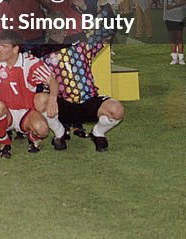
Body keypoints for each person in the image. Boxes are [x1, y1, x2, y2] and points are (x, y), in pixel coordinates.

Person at [41, 8, 125, 152]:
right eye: (53, 26)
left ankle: (98, 133)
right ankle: (59, 132)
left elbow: (109, 25)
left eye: (60, 25)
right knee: (40, 100)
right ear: (47, 29)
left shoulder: (81, 46)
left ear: (66, 28)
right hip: (62, 104)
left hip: (88, 101)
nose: (57, 29)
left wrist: (103, 0)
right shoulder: (40, 53)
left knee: (117, 110)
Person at [0, 31, 55, 157]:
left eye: (4, 47)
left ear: (15, 49)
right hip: (7, 113)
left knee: (43, 130)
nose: (0, 50)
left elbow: (52, 81)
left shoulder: (29, 63)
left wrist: (53, 99)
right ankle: (4, 142)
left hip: (26, 112)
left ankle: (32, 136)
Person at [163, 0, 186, 65]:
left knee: (179, 37)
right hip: (168, 16)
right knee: (172, 37)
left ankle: (181, 57)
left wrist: (173, 7)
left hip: (178, 16)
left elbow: (183, 1)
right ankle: (174, 57)